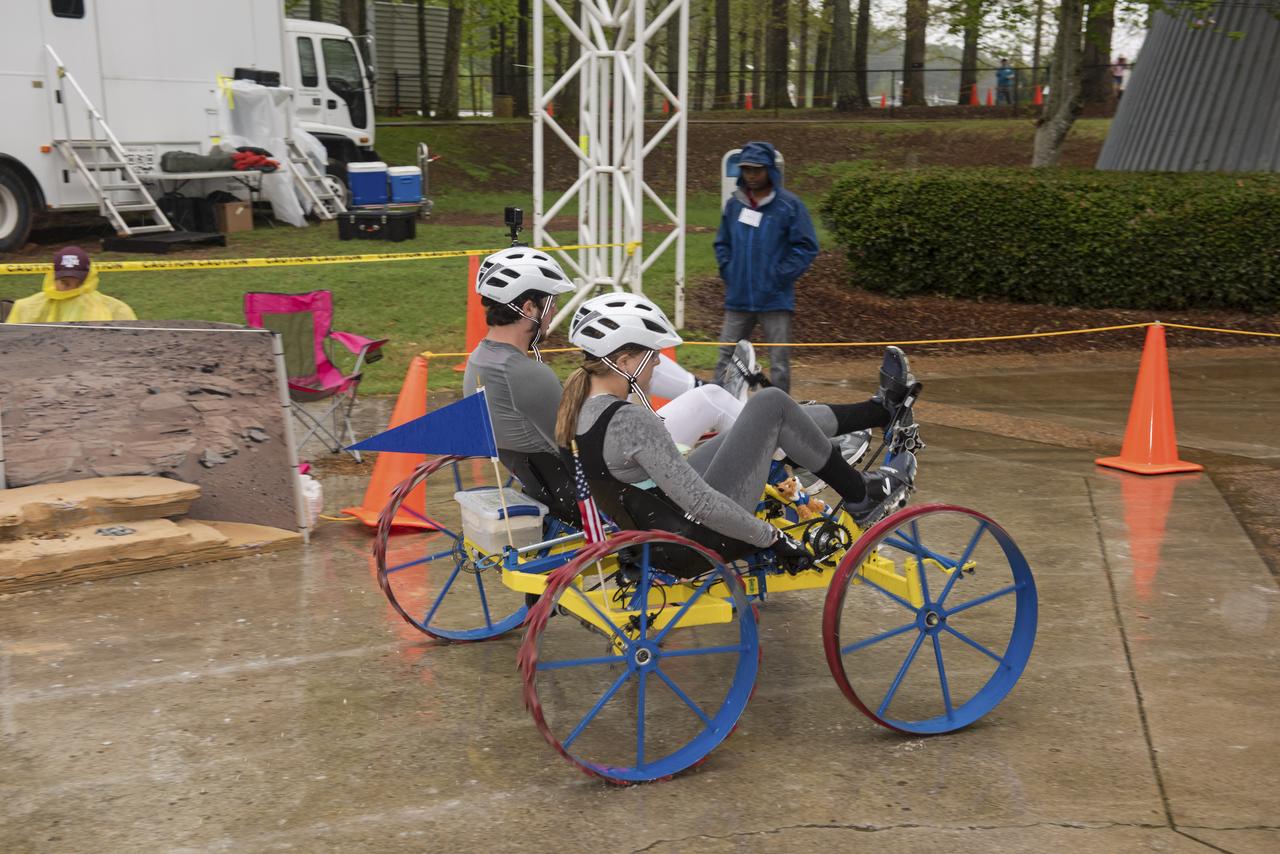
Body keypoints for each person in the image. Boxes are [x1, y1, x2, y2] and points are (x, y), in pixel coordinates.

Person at [556, 293, 917, 573]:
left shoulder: (577, 407)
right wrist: (772, 538)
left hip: (653, 532)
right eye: (653, 357)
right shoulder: (631, 421)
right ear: (623, 364)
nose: (656, 365)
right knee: (771, 402)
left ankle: (876, 415)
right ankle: (861, 490)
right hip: (694, 539)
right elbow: (701, 504)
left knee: (761, 417)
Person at [713, 141, 818, 394]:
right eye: (746, 169)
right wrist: (730, 270)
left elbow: (806, 246)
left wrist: (779, 276)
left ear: (770, 170)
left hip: (775, 299)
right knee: (725, 356)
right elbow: (722, 243)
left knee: (779, 362)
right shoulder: (734, 205)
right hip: (738, 298)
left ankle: (780, 414)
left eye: (757, 170)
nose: (751, 175)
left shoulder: (789, 206)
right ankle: (715, 408)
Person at [5, 246, 136, 324]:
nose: (71, 289)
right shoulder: (26, 308)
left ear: (87, 280)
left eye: (78, 284)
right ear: (53, 277)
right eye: (65, 283)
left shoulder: (117, 310)